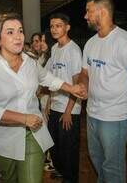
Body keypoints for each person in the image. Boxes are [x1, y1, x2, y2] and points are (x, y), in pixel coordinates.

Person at [0, 13, 86, 183]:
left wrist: (71, 88)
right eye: (10, 32)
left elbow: (47, 78)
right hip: (3, 136)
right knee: (9, 179)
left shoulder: (30, 61)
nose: (18, 36)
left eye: (20, 31)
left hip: (33, 133)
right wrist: (22, 118)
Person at [78, 0, 127, 183]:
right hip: (93, 112)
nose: (85, 16)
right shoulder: (91, 43)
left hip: (115, 116)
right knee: (96, 159)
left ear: (102, 12)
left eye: (89, 11)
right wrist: (84, 85)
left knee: (113, 166)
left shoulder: (123, 41)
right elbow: (85, 73)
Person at [44, 13, 82, 183]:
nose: (54, 29)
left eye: (58, 25)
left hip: (69, 110)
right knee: (54, 147)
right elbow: (52, 78)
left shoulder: (73, 50)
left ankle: (70, 178)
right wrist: (48, 105)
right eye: (52, 26)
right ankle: (62, 172)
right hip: (55, 107)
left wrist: (68, 112)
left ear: (67, 27)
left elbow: (77, 85)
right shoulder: (54, 49)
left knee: (69, 151)